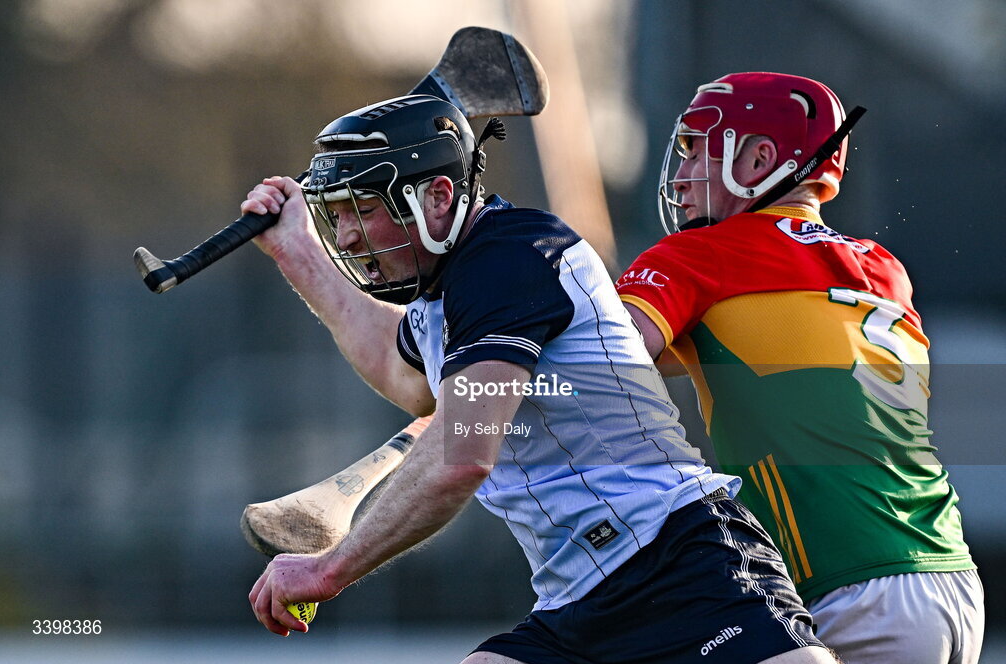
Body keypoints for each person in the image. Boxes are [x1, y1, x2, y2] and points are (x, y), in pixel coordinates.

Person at [242, 93, 838, 663]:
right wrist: (296, 250)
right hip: (576, 600)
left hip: (679, 560)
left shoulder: (512, 258)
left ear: (439, 195)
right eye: (337, 216)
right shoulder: (442, 294)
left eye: (364, 211)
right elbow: (406, 379)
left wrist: (331, 567)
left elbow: (460, 457)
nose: (346, 236)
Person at [616, 72, 983, 664]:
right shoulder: (885, 267)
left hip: (844, 585)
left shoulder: (704, 255)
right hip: (947, 570)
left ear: (759, 158)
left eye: (698, 150)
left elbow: (604, 358)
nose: (680, 176)